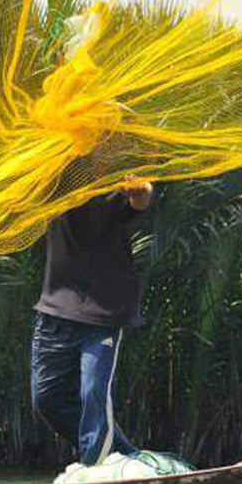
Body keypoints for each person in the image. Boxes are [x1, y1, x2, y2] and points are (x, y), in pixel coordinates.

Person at [31, 178, 153, 466]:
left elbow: (140, 199)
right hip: (55, 309)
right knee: (46, 400)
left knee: (92, 395)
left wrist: (141, 191)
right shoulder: (53, 178)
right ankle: (129, 459)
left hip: (103, 312)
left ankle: (93, 470)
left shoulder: (113, 179)